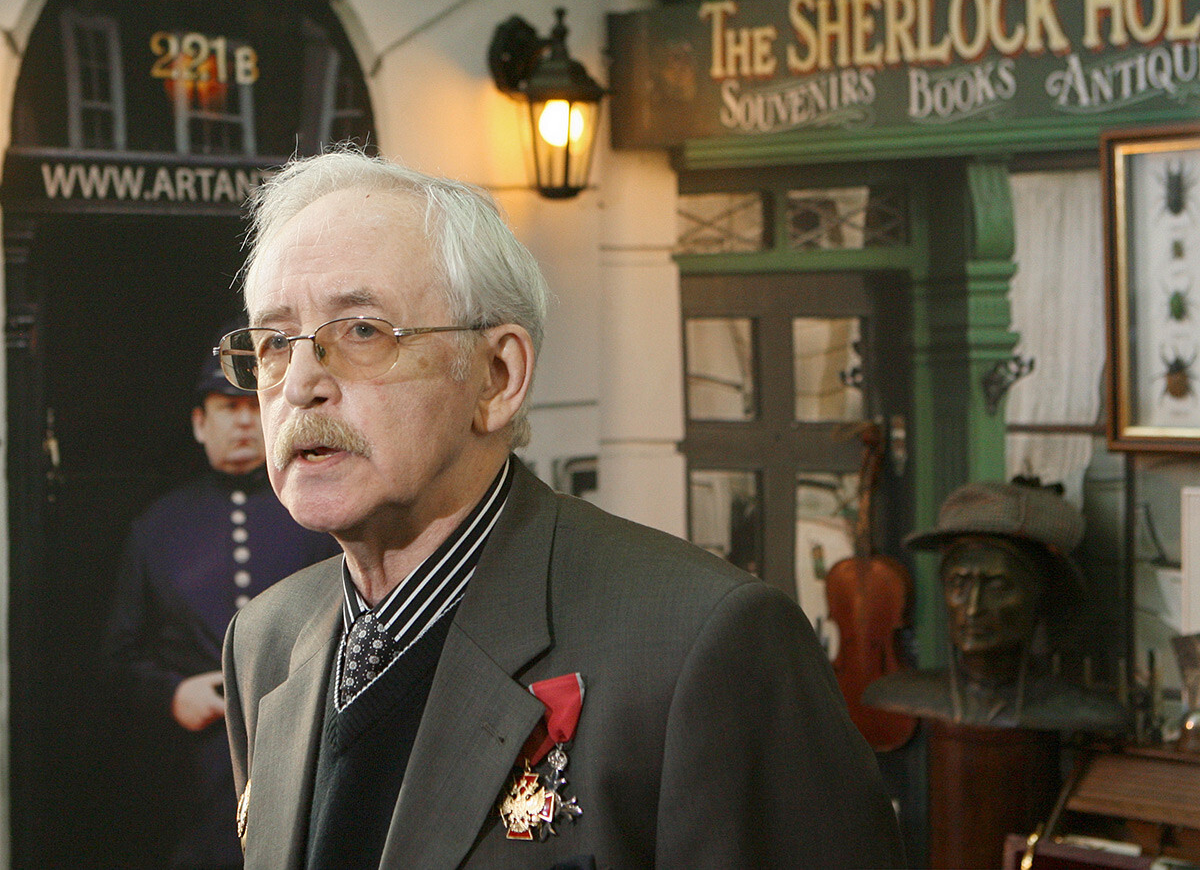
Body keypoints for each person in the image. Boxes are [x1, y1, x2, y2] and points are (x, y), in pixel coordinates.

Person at [220, 148, 905, 870]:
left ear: (498, 375)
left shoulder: (701, 647)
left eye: (360, 331)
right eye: (272, 343)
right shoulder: (264, 643)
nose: (298, 384)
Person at [103, 335, 338, 870]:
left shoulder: (318, 510)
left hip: (303, 753)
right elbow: (118, 657)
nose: (240, 423)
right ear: (198, 424)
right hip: (193, 780)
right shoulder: (156, 528)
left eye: (251, 407)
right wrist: (172, 695)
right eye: (224, 409)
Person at [863, 480, 1129, 732]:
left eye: (997, 586)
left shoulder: (1083, 710)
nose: (973, 608)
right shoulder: (897, 694)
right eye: (959, 583)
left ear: (1040, 596)